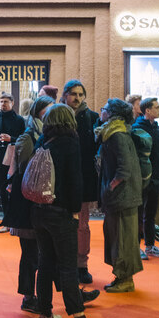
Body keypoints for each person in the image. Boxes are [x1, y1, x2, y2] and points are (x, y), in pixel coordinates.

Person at [28, 104, 110, 318]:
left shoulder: (42, 141)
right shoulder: (69, 143)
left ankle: (44, 314)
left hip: (39, 209)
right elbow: (75, 180)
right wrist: (75, 209)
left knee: (45, 263)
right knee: (68, 266)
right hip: (60, 211)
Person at [5, 95, 54, 311]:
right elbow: (25, 173)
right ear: (38, 112)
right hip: (26, 201)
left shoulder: (48, 134)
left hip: (41, 201)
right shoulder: (28, 137)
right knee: (30, 253)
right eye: (48, 110)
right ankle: (27, 295)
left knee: (46, 252)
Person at [97, 98, 143, 293]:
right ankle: (121, 276)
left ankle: (125, 279)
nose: (102, 111)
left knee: (122, 238)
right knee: (118, 236)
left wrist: (111, 187)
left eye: (105, 109)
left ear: (113, 114)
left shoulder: (117, 135)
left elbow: (124, 169)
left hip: (123, 197)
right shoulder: (114, 132)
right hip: (121, 196)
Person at [61, 80, 99, 284]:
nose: (77, 98)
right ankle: (65, 265)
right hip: (61, 179)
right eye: (73, 94)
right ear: (65, 94)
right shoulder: (57, 115)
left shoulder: (92, 118)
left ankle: (82, 265)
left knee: (82, 225)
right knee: (63, 225)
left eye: (81, 94)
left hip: (84, 178)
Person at [133, 97, 159, 260]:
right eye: (157, 107)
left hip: (156, 176)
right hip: (142, 177)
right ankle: (136, 247)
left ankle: (150, 245)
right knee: (138, 213)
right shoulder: (137, 129)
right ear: (147, 110)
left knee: (151, 213)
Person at [0, 93, 26, 230]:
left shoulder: (19, 120)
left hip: (14, 161)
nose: (3, 104)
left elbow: (24, 139)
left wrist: (12, 139)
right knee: (2, 192)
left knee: (14, 191)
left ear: (12, 103)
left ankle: (15, 220)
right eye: (1, 101)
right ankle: (6, 221)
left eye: (6, 102)